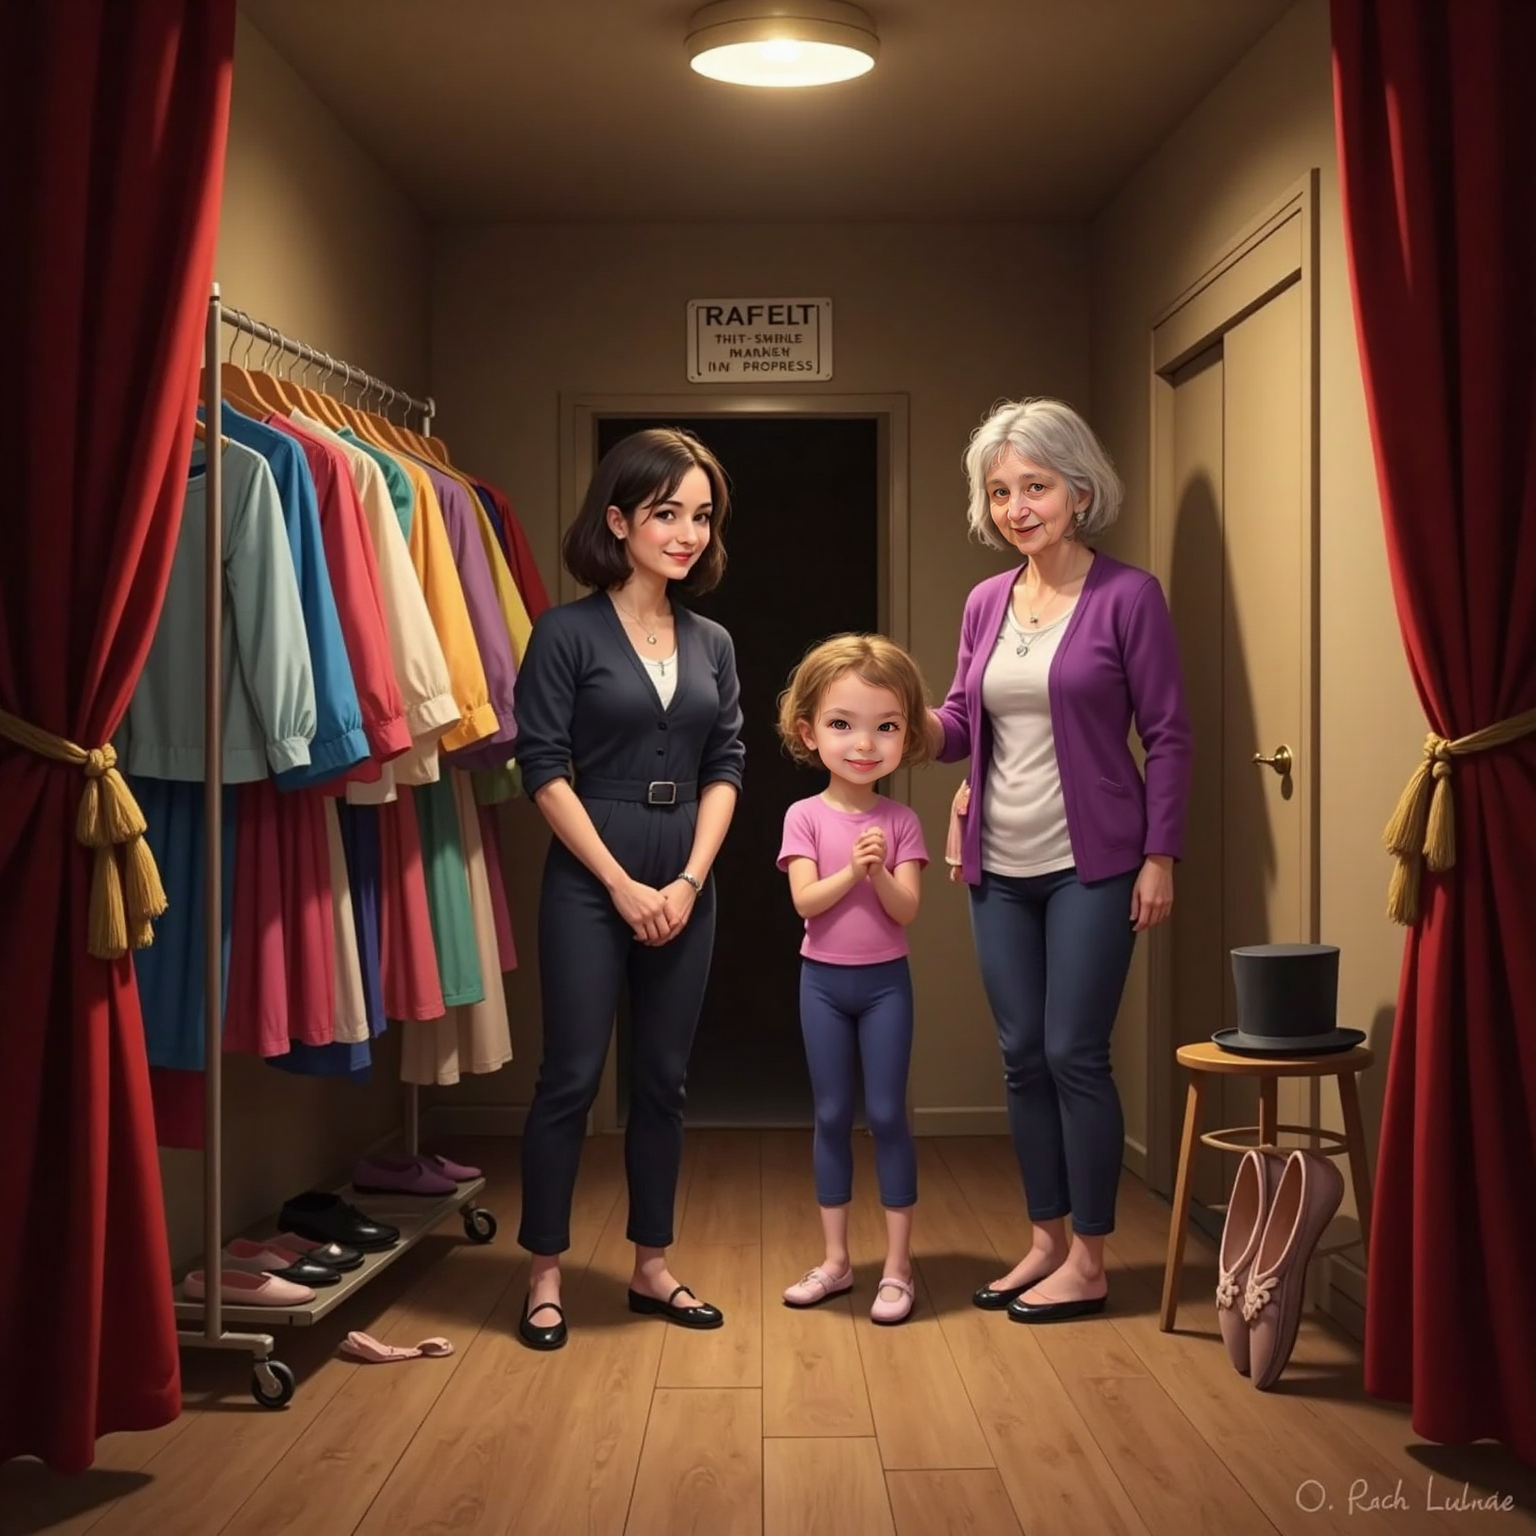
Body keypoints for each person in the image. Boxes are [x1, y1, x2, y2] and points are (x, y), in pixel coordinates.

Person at [927, 397, 1192, 1323]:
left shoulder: (1130, 597)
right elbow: (961, 724)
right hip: (998, 865)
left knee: (1076, 1052)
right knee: (1021, 1057)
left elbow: (1168, 736)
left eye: (1034, 487)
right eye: (1000, 492)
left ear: (1079, 490)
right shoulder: (985, 601)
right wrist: (904, 722)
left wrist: (1159, 856)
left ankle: (1090, 1256)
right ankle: (1043, 1241)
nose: (1016, 507)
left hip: (1097, 864)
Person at [511, 427, 745, 1350]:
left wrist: (687, 879)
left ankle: (652, 1265)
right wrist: (620, 883)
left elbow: (727, 763)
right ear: (619, 520)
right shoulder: (565, 633)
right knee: (569, 1077)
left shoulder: (714, 640)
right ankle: (543, 1273)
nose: (686, 532)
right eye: (665, 513)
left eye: (700, 515)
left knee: (663, 1081)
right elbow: (542, 767)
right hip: (588, 870)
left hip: (688, 874)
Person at [775, 634, 931, 1325]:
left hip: (886, 985)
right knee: (833, 1116)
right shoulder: (803, 816)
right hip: (822, 985)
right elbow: (805, 904)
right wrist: (853, 870)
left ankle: (897, 1270)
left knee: (890, 1116)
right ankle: (837, 1263)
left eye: (886, 727)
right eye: (843, 724)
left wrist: (880, 870)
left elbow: (906, 912)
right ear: (809, 732)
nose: (864, 744)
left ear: (906, 735)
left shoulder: (901, 820)